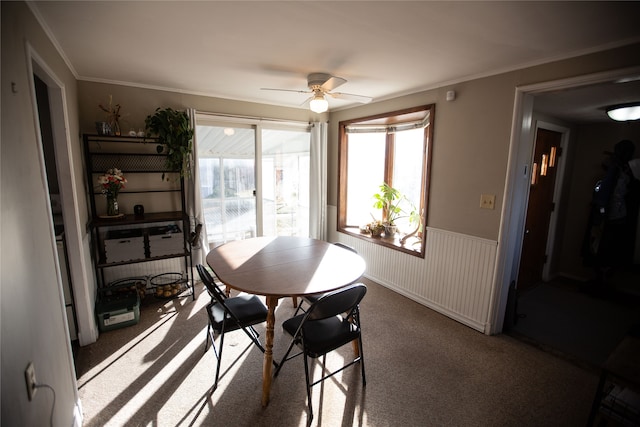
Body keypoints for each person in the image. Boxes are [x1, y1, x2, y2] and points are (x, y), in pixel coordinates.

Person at [582, 139, 639, 291]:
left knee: (610, 248)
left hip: (617, 217)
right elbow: (603, 195)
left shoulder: (630, 170)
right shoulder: (614, 169)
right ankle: (600, 274)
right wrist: (600, 212)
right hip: (605, 215)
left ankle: (604, 275)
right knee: (597, 244)